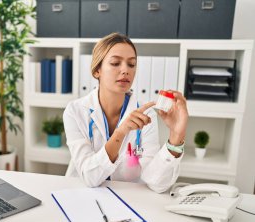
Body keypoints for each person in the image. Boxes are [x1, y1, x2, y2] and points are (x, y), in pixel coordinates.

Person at [63, 33, 188, 193]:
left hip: (128, 198)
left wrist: (176, 138)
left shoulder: (146, 113)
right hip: (84, 195)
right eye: (115, 63)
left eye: (131, 64)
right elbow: (90, 177)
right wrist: (121, 132)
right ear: (97, 71)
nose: (125, 70)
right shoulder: (75, 111)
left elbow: (156, 184)